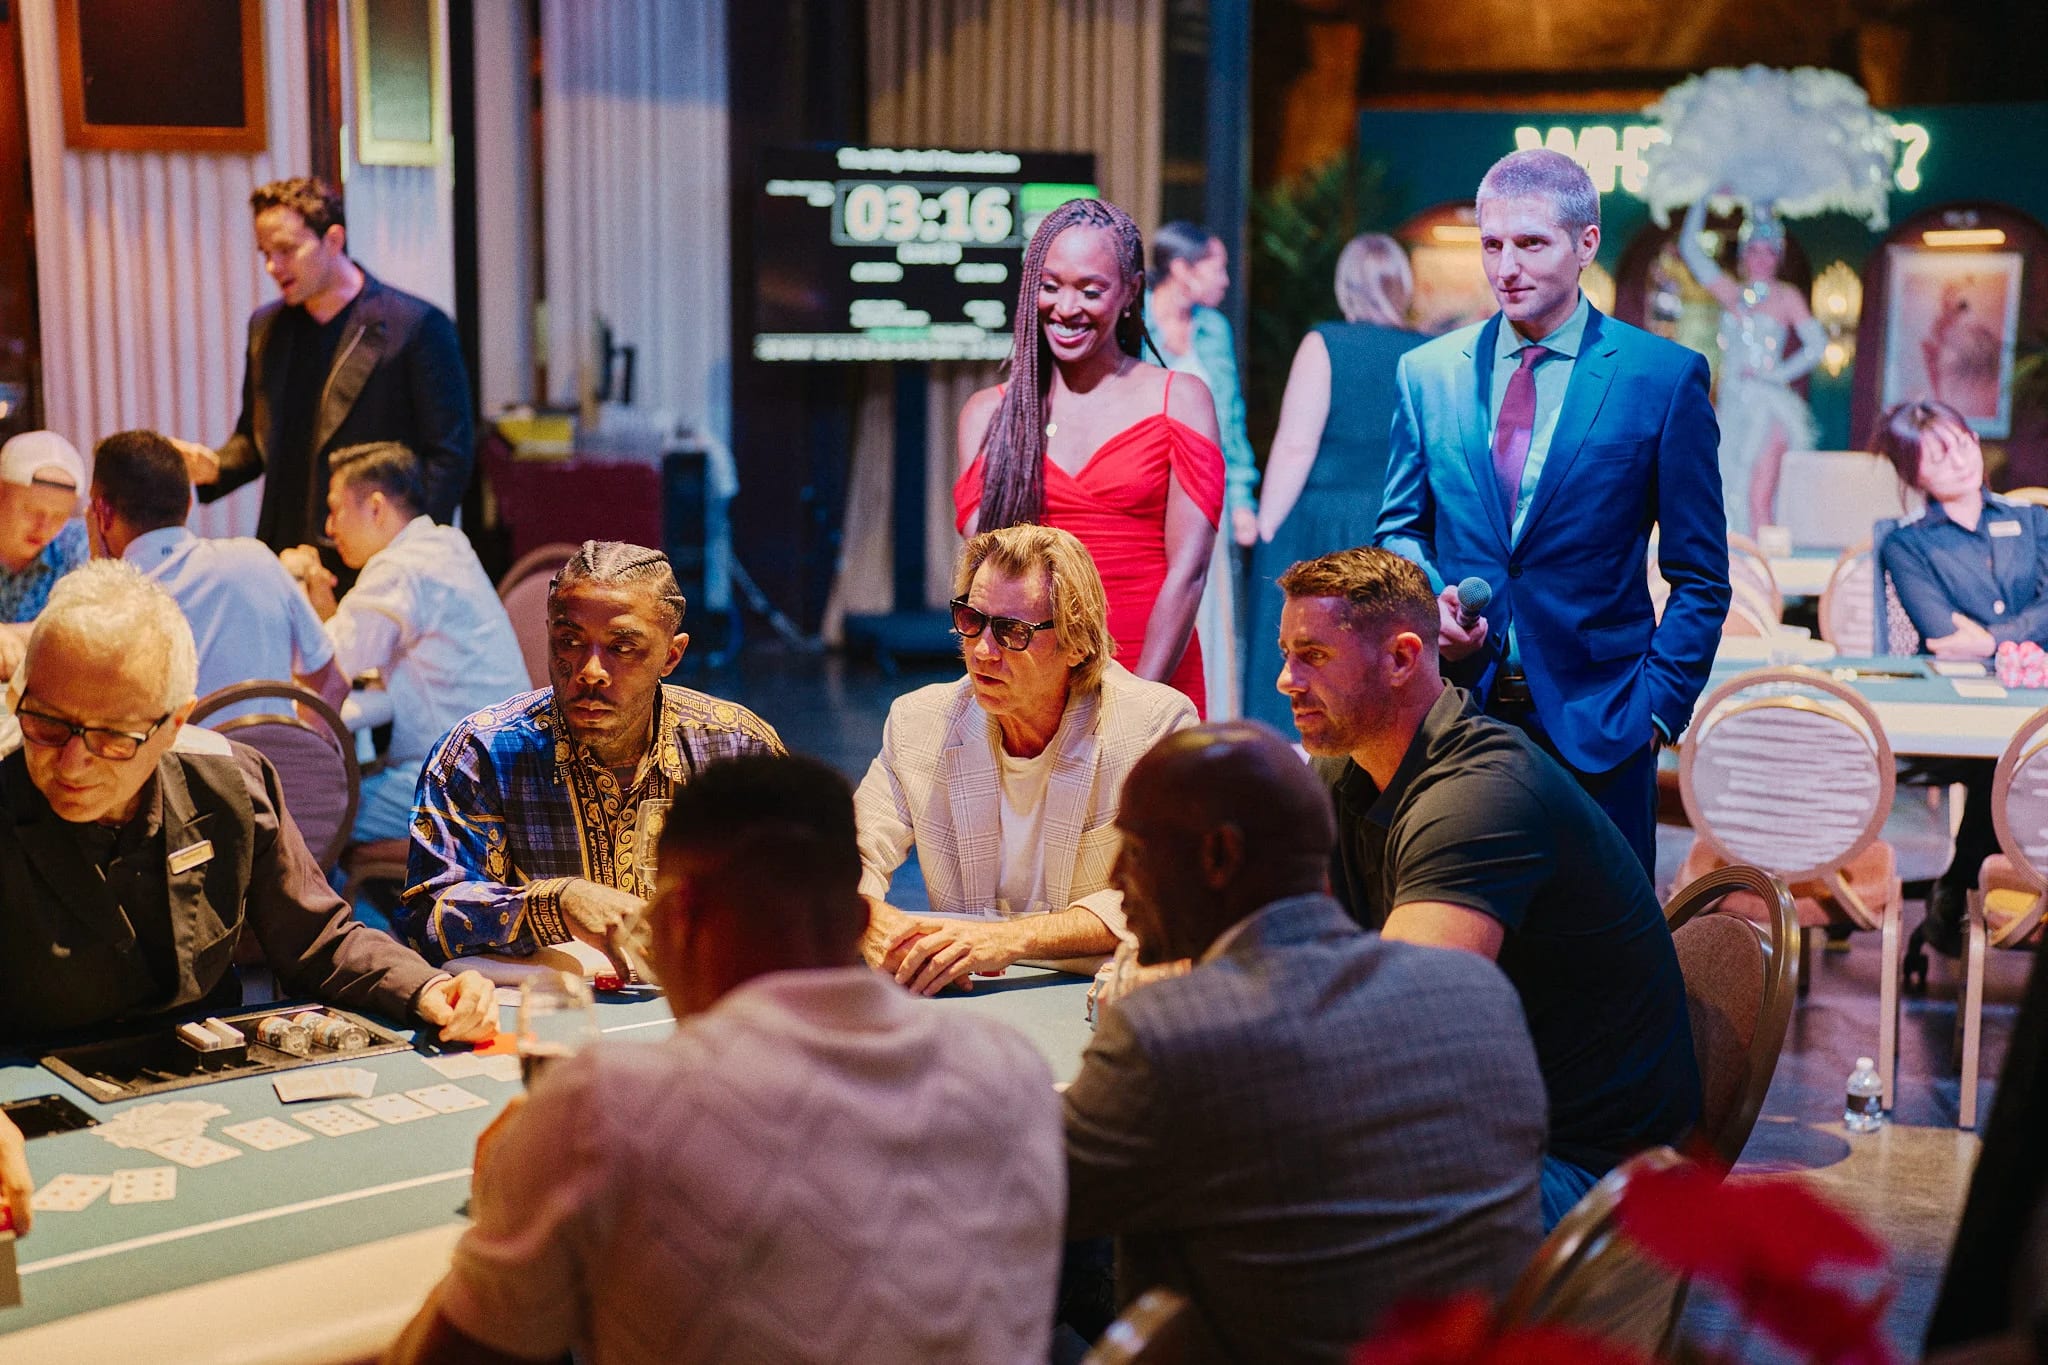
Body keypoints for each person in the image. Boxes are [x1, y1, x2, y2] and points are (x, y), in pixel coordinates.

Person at [387, 754, 1064, 1365]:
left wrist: (511, 1191)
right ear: (860, 924)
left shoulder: (606, 1107)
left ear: (675, 917)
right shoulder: (1012, 1070)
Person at [1064, 720, 1547, 1360]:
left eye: (1134, 848)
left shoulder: (1170, 1034)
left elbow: (1028, 1202)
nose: (1116, 877)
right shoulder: (1477, 990)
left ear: (1219, 857)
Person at [1276, 547, 1699, 1227]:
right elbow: (1280, 936)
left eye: (1313, 656)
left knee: (1262, 1188)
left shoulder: (1480, 798)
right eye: (1287, 654)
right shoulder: (1348, 769)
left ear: (1402, 658)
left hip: (1592, 1177)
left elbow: (1398, 1030)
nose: (1285, 680)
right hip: (1478, 1122)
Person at [1376, 148, 1731, 874]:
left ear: (1585, 244)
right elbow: (1401, 528)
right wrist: (1427, 601)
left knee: (1596, 939)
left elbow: (1701, 576)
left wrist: (1655, 710)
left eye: (1531, 243)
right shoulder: (1427, 373)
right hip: (1452, 715)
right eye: (1492, 245)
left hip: (1603, 726)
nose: (1506, 267)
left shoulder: (1660, 378)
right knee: (1458, 929)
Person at [0, 560, 495, 1045]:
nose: (72, 764)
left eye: (112, 738)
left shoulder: (229, 784)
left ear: (174, 725)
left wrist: (427, 987)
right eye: (46, 723)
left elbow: (318, 940)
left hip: (202, 1069)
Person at [402, 541, 783, 968]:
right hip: (546, 1004)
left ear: (671, 655)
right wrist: (554, 904)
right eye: (569, 642)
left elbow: (799, 906)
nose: (590, 672)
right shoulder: (482, 753)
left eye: (622, 648)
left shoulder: (737, 751)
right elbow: (427, 921)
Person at [856, 525, 1195, 995]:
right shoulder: (919, 723)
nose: (982, 651)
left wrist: (1007, 939)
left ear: (1077, 643)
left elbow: (1166, 893)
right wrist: (866, 918)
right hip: (964, 1003)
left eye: (1012, 631)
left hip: (1086, 1000)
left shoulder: (1153, 726)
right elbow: (846, 855)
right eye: (971, 619)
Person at [955, 197, 1225, 714]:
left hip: (1152, 675)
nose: (1066, 307)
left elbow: (1189, 573)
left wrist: (1135, 707)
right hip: (1030, 684)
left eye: (1090, 290)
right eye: (1050, 286)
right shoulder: (988, 416)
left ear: (1131, 292)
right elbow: (989, 585)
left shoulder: (1180, 400)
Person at [179, 177, 473, 552]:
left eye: (287, 250)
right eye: (265, 252)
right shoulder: (267, 327)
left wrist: (408, 551)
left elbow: (449, 458)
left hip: (373, 553)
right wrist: (214, 466)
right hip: (286, 550)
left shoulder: (416, 326)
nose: (272, 266)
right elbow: (254, 440)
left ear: (333, 240)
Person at [279, 442, 527, 844]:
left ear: (376, 508)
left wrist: (289, 582)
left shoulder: (398, 568)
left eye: (336, 509)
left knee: (305, 815)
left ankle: (344, 888)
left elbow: (323, 670)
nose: (329, 527)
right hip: (508, 769)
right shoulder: (446, 544)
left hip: (462, 781)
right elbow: (350, 653)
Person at [1247, 233, 1428, 733]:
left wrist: (1268, 528)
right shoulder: (1427, 353)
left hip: (1322, 526)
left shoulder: (1325, 343)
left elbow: (1296, 445)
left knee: (1306, 662)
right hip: (1394, 526)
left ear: (1345, 285)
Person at [1875, 399, 2034, 958]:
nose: (1961, 460)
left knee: (2017, 758)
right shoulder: (1907, 542)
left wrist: (1990, 640)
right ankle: (1966, 896)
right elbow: (1942, 635)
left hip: (2031, 698)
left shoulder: (2033, 521)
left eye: (1963, 443)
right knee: (2001, 765)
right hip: (1953, 712)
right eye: (1938, 457)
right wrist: (2024, 632)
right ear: (1913, 473)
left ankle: (1960, 897)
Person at [85, 429, 349, 721]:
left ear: (101, 514)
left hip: (179, 752)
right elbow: (333, 685)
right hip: (274, 750)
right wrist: (297, 745)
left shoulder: (108, 605)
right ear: (189, 503)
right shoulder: (256, 559)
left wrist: (101, 577)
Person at [1145, 221, 1255, 719]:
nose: (1225, 280)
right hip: (1149, 493)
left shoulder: (1213, 331)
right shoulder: (1135, 323)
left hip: (1205, 493)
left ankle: (1211, 727)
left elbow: (1229, 418)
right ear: (1182, 269)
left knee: (1209, 609)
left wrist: (1242, 499)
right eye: (1217, 268)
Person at [1677, 196, 1826, 535]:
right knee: (1726, 495)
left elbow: (1817, 345)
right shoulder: (1731, 292)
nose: (1760, 259)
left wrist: (1774, 375)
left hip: (1767, 404)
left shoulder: (1786, 296)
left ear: (1778, 257)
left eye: (1768, 252)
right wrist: (1704, 196)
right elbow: (1690, 248)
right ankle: (1732, 568)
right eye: (1754, 250)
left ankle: (1763, 569)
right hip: (1731, 404)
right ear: (1743, 255)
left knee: (1759, 497)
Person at [0, 429, 88, 624]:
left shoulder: (77, 544)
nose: (44, 527)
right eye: (31, 511)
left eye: (59, 516)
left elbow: (84, 629)